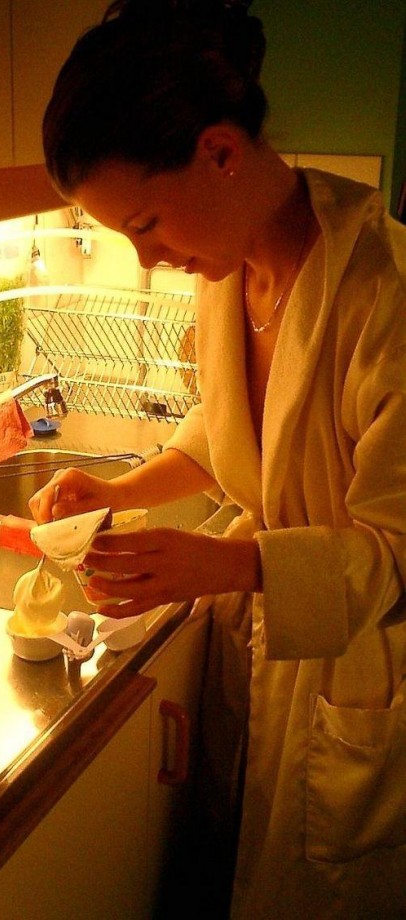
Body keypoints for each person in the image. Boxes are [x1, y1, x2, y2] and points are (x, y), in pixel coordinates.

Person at [28, 1, 406, 917]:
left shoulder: (386, 295)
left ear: (223, 152)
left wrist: (229, 562)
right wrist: (122, 486)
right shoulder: (228, 268)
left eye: (148, 222)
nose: (149, 260)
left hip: (361, 674)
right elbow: (230, 430)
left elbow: (396, 553)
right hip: (269, 653)